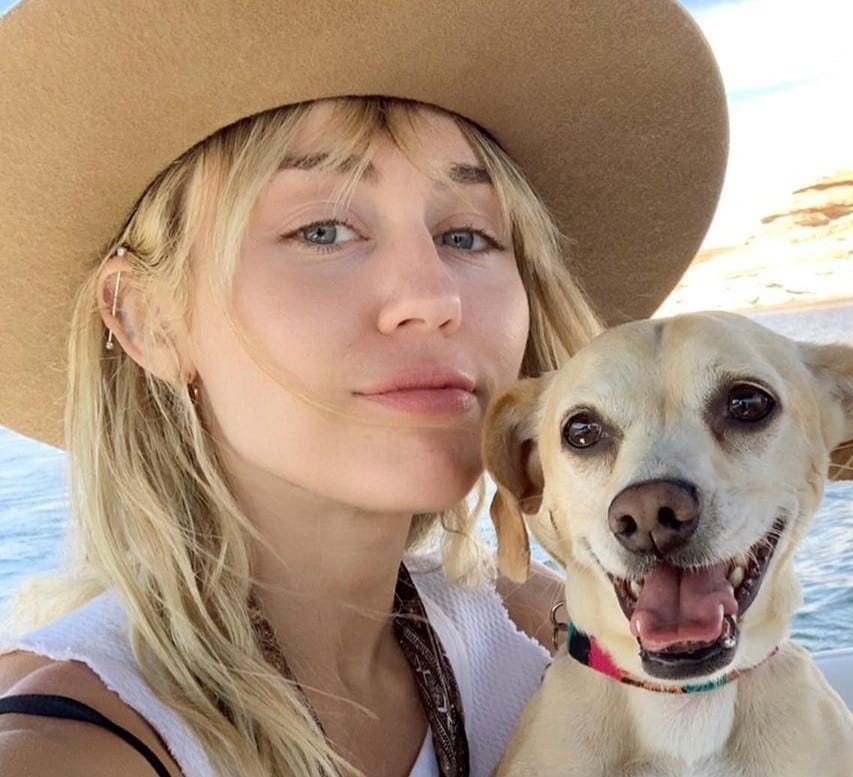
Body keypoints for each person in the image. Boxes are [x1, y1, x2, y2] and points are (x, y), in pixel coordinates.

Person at [0, 1, 727, 775]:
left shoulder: (539, 634)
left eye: (466, 235)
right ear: (146, 319)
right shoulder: (70, 749)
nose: (433, 296)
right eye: (322, 230)